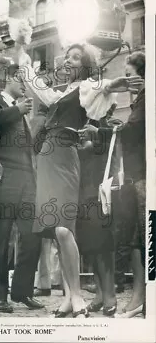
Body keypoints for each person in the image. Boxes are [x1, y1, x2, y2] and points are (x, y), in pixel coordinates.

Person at [22, 43, 142, 318]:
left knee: (64, 229)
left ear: (85, 64)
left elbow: (103, 86)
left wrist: (116, 83)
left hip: (64, 154)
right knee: (55, 231)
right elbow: (43, 91)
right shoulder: (61, 91)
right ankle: (68, 298)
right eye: (68, 55)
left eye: (77, 57)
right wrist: (22, 57)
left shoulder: (87, 85)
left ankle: (76, 296)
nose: (69, 59)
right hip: (48, 156)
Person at [0, 64, 43, 313]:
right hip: (2, 178)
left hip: (27, 179)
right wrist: (16, 111)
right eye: (22, 80)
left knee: (32, 236)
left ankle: (22, 291)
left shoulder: (21, 110)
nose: (25, 85)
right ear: (10, 79)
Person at [83, 51, 146, 318]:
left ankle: (140, 297)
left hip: (141, 175)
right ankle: (139, 297)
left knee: (142, 237)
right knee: (136, 238)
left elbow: (133, 130)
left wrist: (103, 132)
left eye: (130, 75)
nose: (127, 82)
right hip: (135, 174)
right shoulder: (140, 101)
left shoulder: (145, 99)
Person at [76, 105, 122, 317]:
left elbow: (112, 144)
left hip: (101, 194)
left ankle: (110, 293)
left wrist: (95, 135)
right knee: (91, 248)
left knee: (103, 247)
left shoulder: (108, 127)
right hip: (84, 195)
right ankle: (100, 294)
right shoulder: (82, 127)